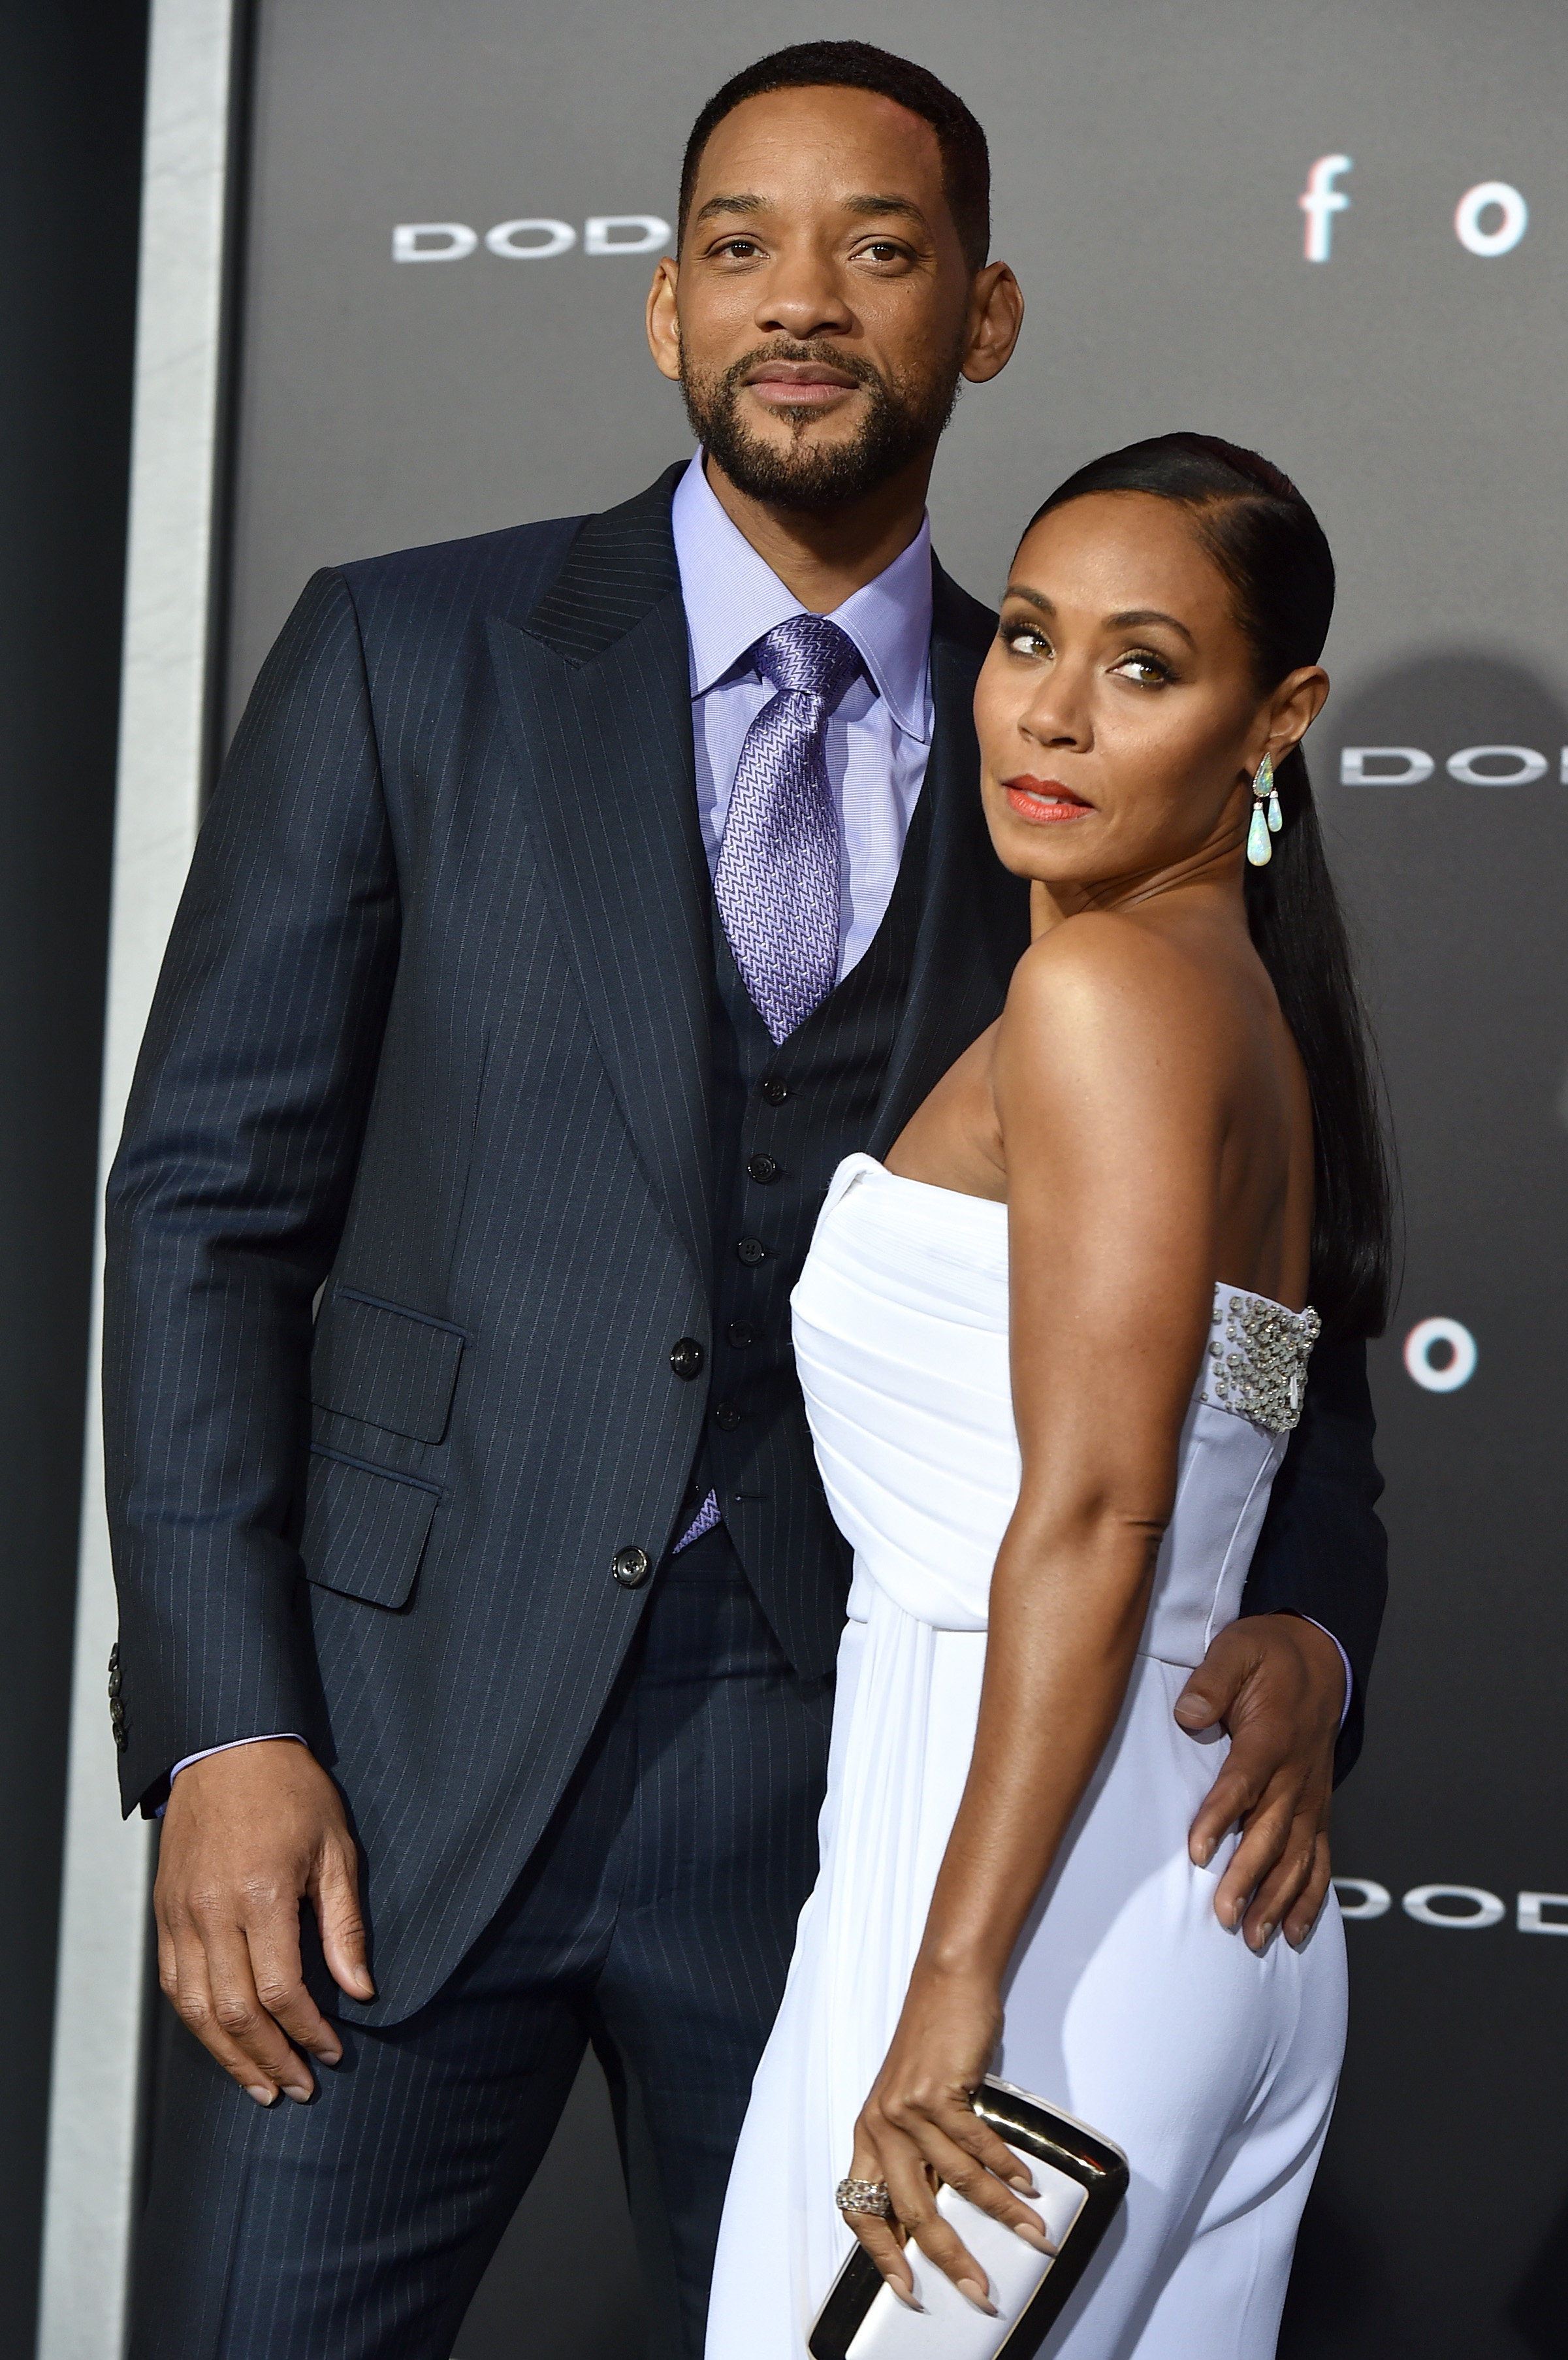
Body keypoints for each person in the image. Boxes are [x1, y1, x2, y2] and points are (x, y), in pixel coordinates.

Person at [104, 41, 1382, 2360]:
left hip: (861, 1823)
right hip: (388, 1774)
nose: (800, 304)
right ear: (664, 311)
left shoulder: (1099, 744)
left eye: (876, 252)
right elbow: (201, 1207)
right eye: (737, 249)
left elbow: (1288, 1290)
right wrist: (222, 1729)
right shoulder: (409, 657)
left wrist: (1305, 1615)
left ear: (979, 319)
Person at [705, 434, 1392, 2359]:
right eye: (1023, 638)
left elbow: (1097, 1515)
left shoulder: (1102, 1004)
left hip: (1028, 1922)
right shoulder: (1232, 1002)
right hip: (1200, 1936)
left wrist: (951, 1982)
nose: (1054, 712)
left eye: (1143, 666)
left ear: (1276, 721)